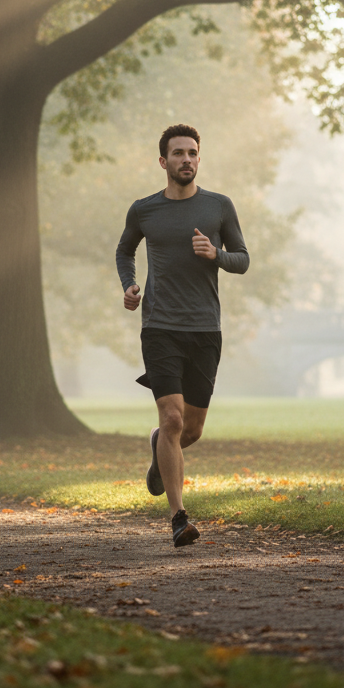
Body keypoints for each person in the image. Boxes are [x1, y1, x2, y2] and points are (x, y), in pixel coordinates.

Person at [115, 124, 249, 547]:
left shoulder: (219, 207)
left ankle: (159, 451)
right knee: (171, 418)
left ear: (198, 159)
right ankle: (178, 518)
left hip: (205, 330)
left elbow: (243, 260)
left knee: (189, 432)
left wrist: (217, 255)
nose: (186, 159)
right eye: (178, 154)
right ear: (163, 161)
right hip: (160, 327)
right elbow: (124, 250)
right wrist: (129, 284)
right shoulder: (144, 210)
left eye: (192, 153)